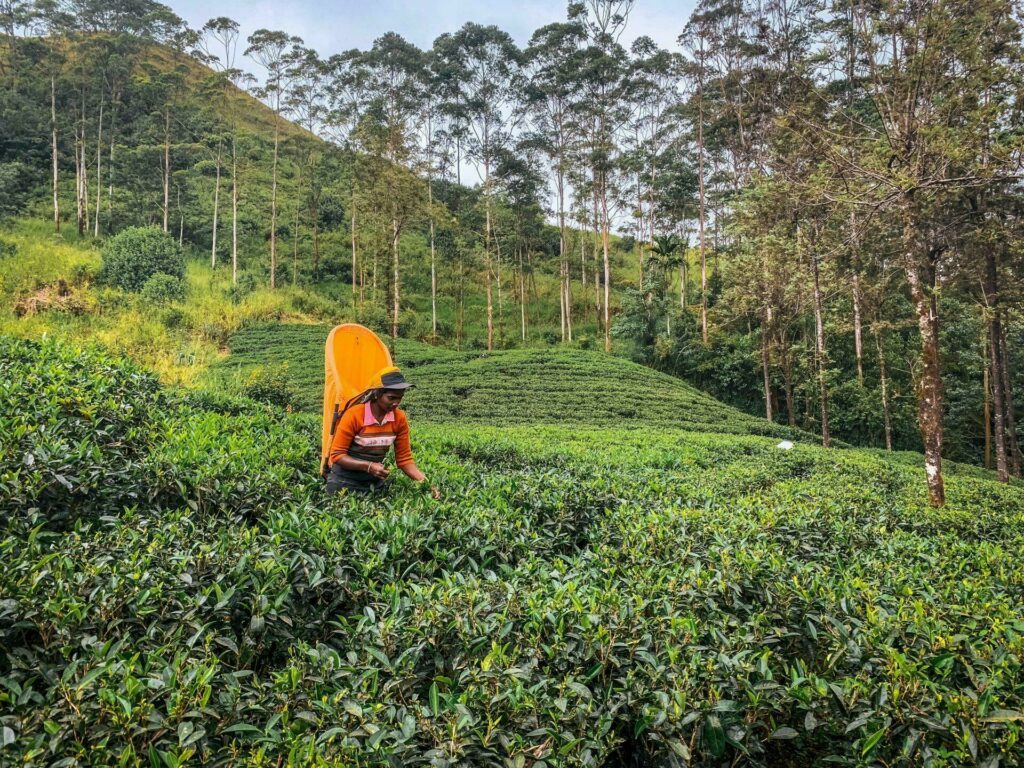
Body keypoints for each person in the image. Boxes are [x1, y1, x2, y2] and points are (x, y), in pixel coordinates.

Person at [325, 365, 439, 498]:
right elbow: (337, 455)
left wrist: (427, 484)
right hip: (343, 482)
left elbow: (404, 460)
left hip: (374, 484)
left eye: (399, 398)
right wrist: (368, 466)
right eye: (391, 398)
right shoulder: (354, 415)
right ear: (377, 394)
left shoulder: (399, 418)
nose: (396, 403)